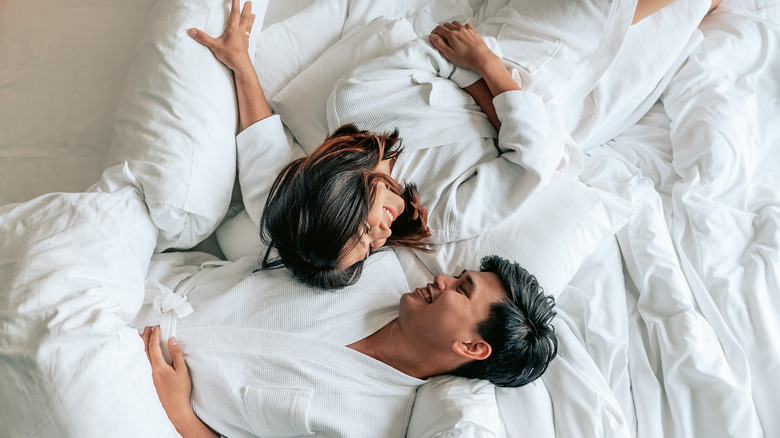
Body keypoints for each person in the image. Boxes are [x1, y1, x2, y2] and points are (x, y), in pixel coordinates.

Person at [189, 0, 719, 290]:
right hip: (558, 100)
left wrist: (241, 63)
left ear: (338, 186)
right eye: (372, 248)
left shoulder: (354, 98)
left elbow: (439, 53)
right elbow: (534, 162)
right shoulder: (435, 218)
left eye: (364, 228)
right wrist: (489, 81)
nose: (380, 236)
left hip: (512, 49)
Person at [141, 254, 558, 437]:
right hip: (151, 278)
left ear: (471, 346)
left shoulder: (370, 426)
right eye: (458, 274)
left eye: (462, 289)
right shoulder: (373, 266)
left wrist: (179, 413)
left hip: (143, 399)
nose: (445, 279)